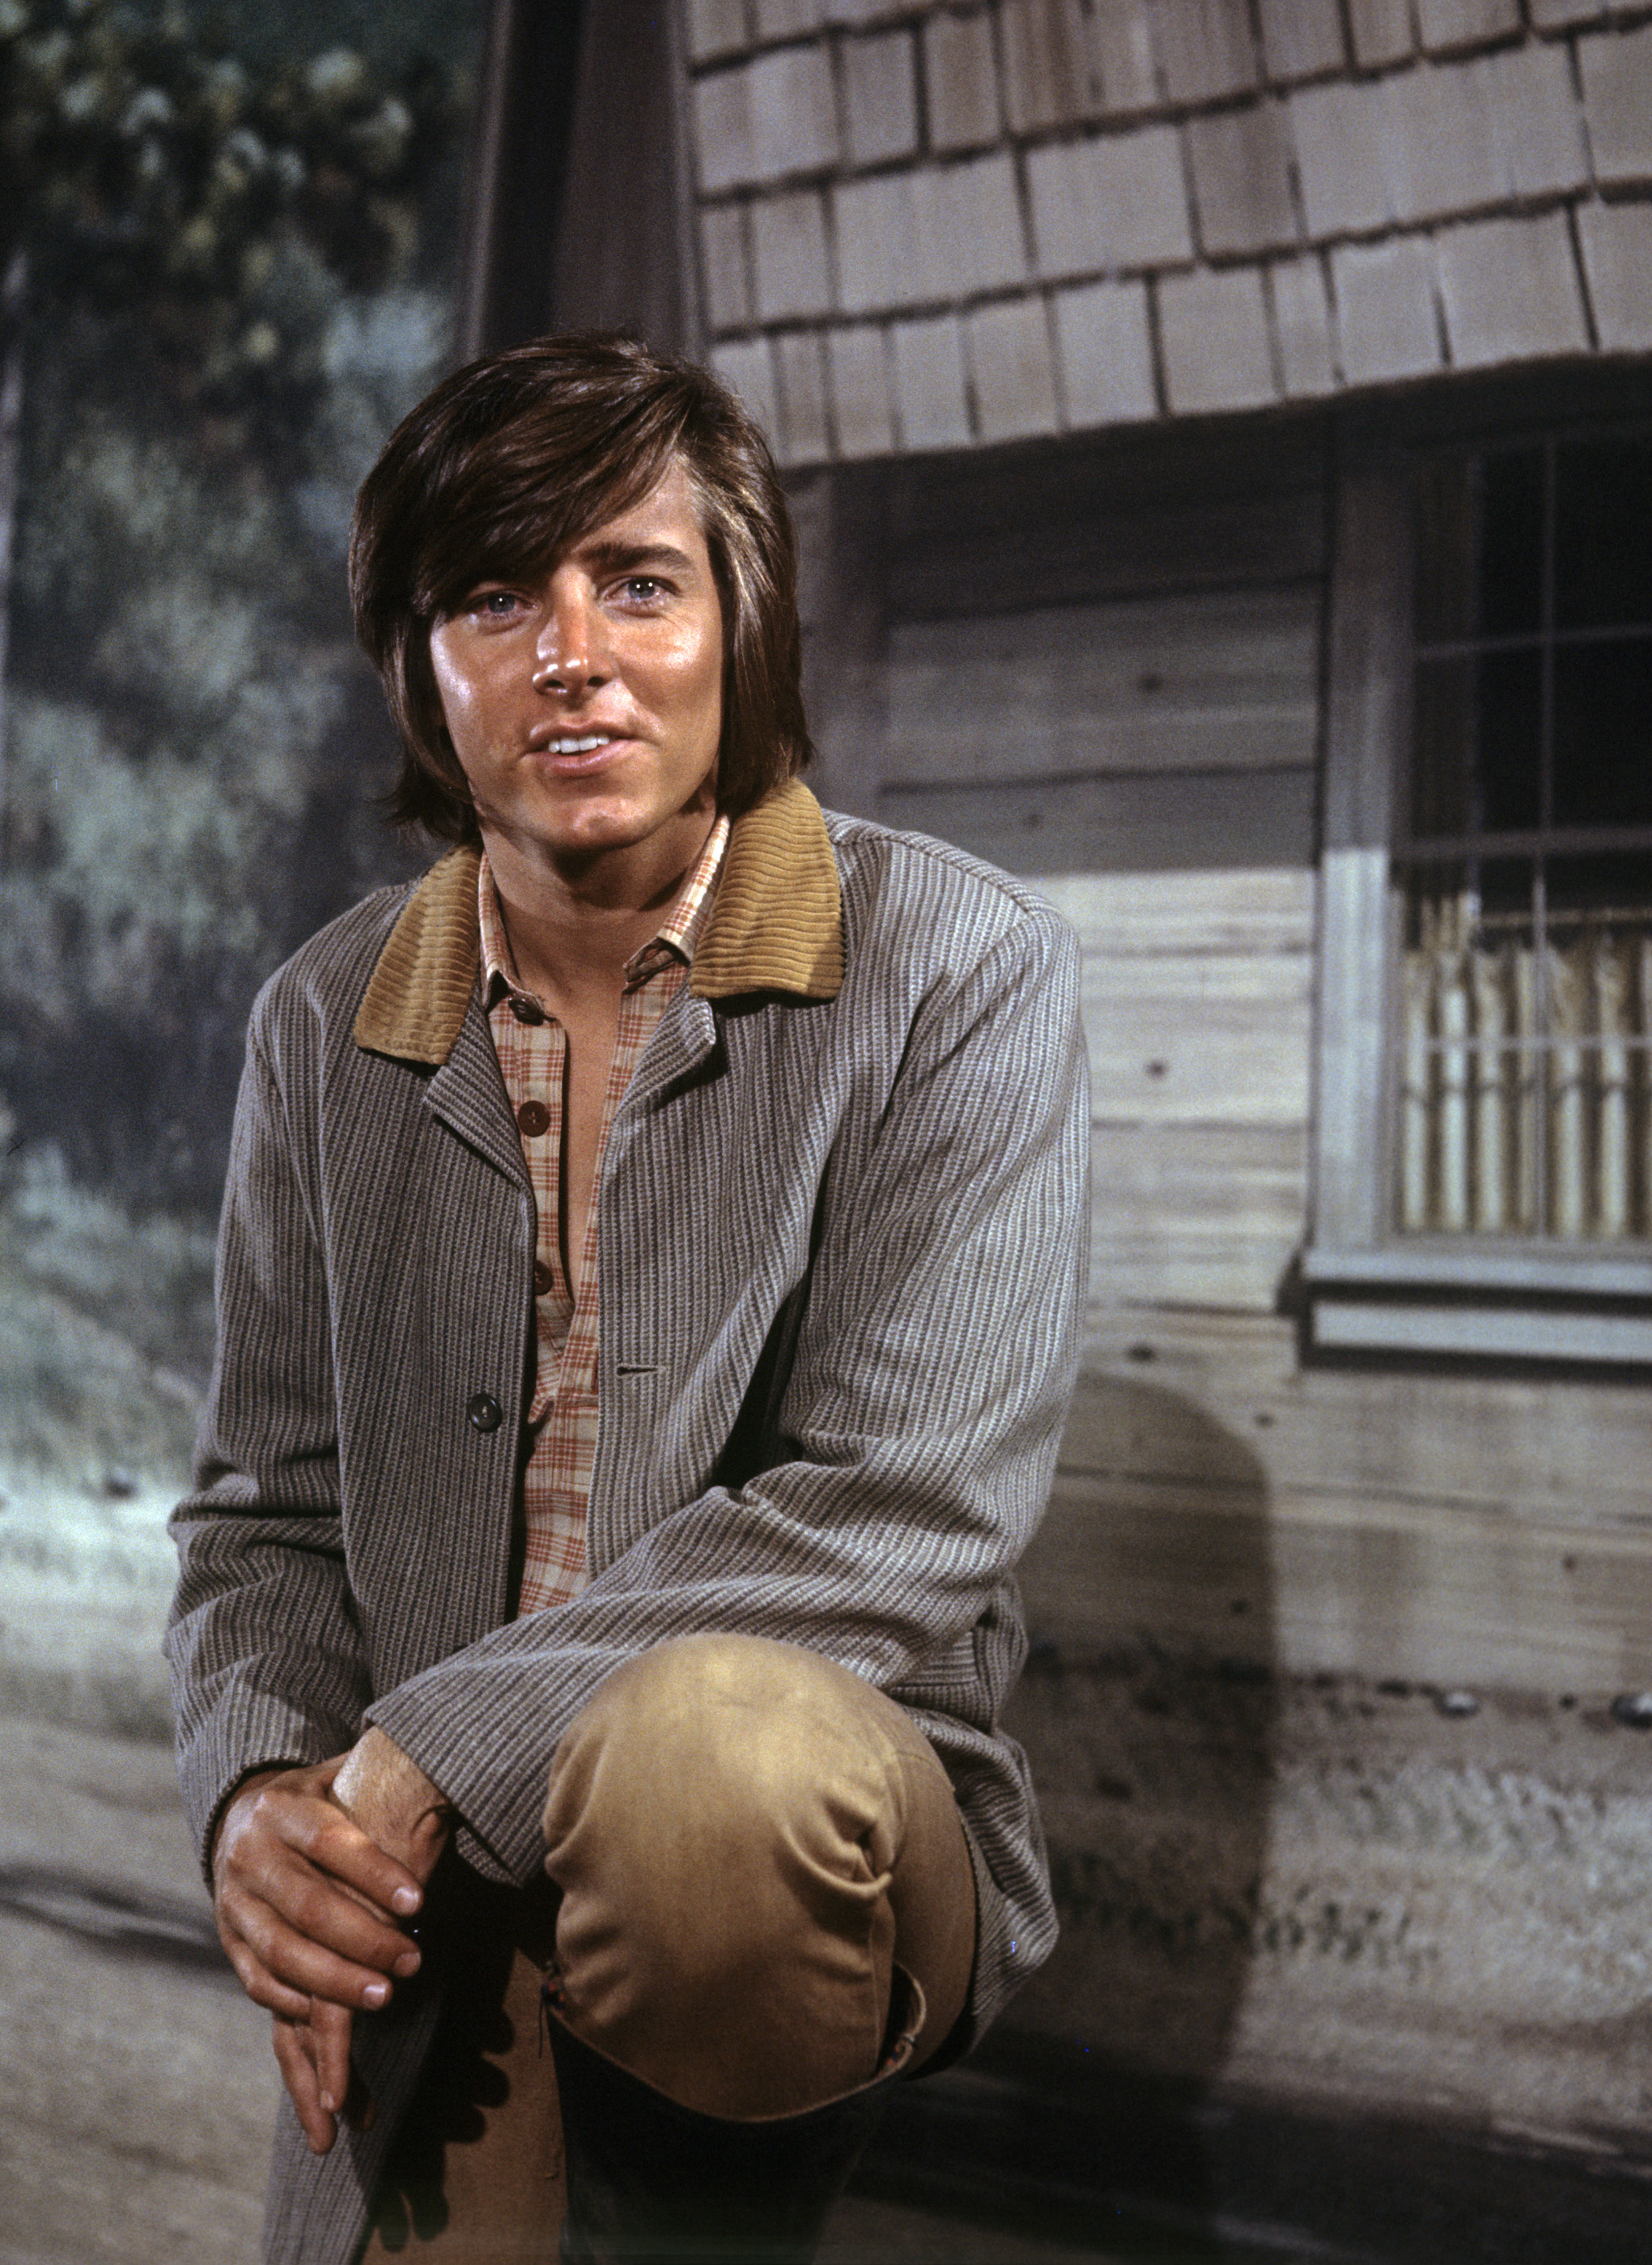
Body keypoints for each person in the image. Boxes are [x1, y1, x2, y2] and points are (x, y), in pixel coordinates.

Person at [166, 332, 1088, 2265]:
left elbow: (906, 1507)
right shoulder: (320, 1023)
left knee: (700, 1773)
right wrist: (262, 1798)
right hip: (439, 1892)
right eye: (494, 597)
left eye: (635, 581)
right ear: (423, 671)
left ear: (739, 627)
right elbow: (263, 1517)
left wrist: (427, 1752)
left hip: (790, 1827)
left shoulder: (961, 968)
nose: (566, 652)